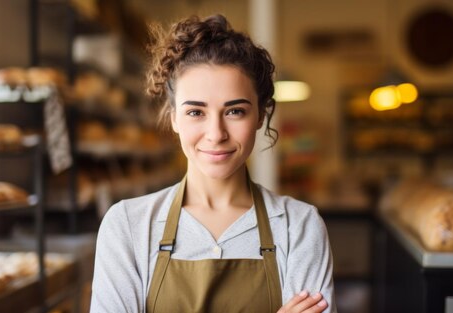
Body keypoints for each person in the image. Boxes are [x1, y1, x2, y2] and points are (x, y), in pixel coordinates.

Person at [90, 14, 336, 313]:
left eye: (235, 111)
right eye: (196, 112)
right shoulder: (128, 226)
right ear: (174, 119)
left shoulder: (298, 226)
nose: (216, 134)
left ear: (260, 116)